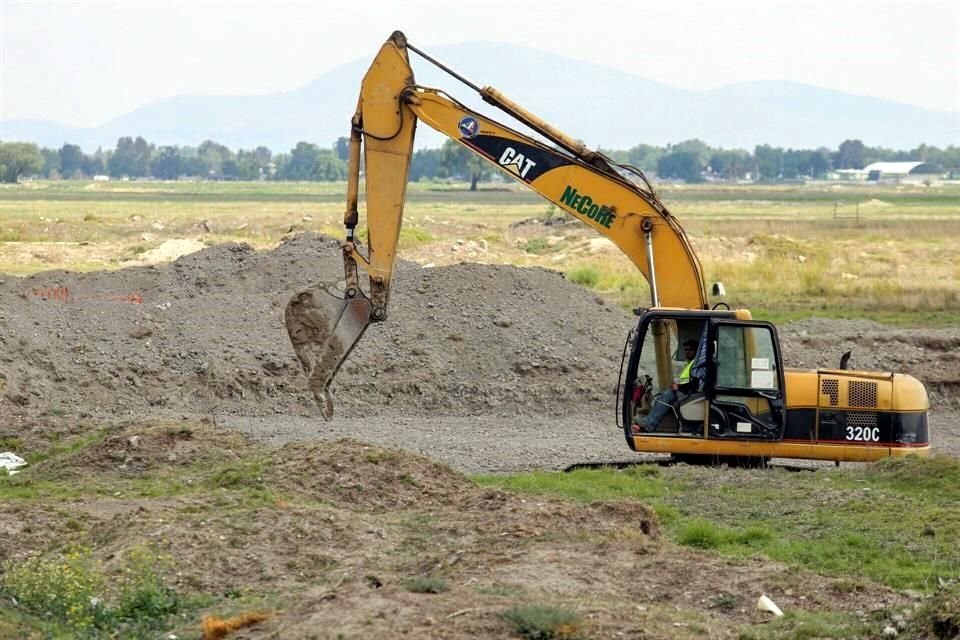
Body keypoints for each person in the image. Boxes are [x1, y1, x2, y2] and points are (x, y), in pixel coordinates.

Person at [632, 339, 700, 434]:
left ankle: (649, 424)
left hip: (691, 395)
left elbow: (696, 384)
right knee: (662, 394)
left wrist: (679, 388)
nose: (687, 352)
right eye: (686, 349)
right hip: (687, 393)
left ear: (697, 351)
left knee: (668, 394)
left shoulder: (697, 365)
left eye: (690, 349)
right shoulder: (691, 364)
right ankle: (649, 422)